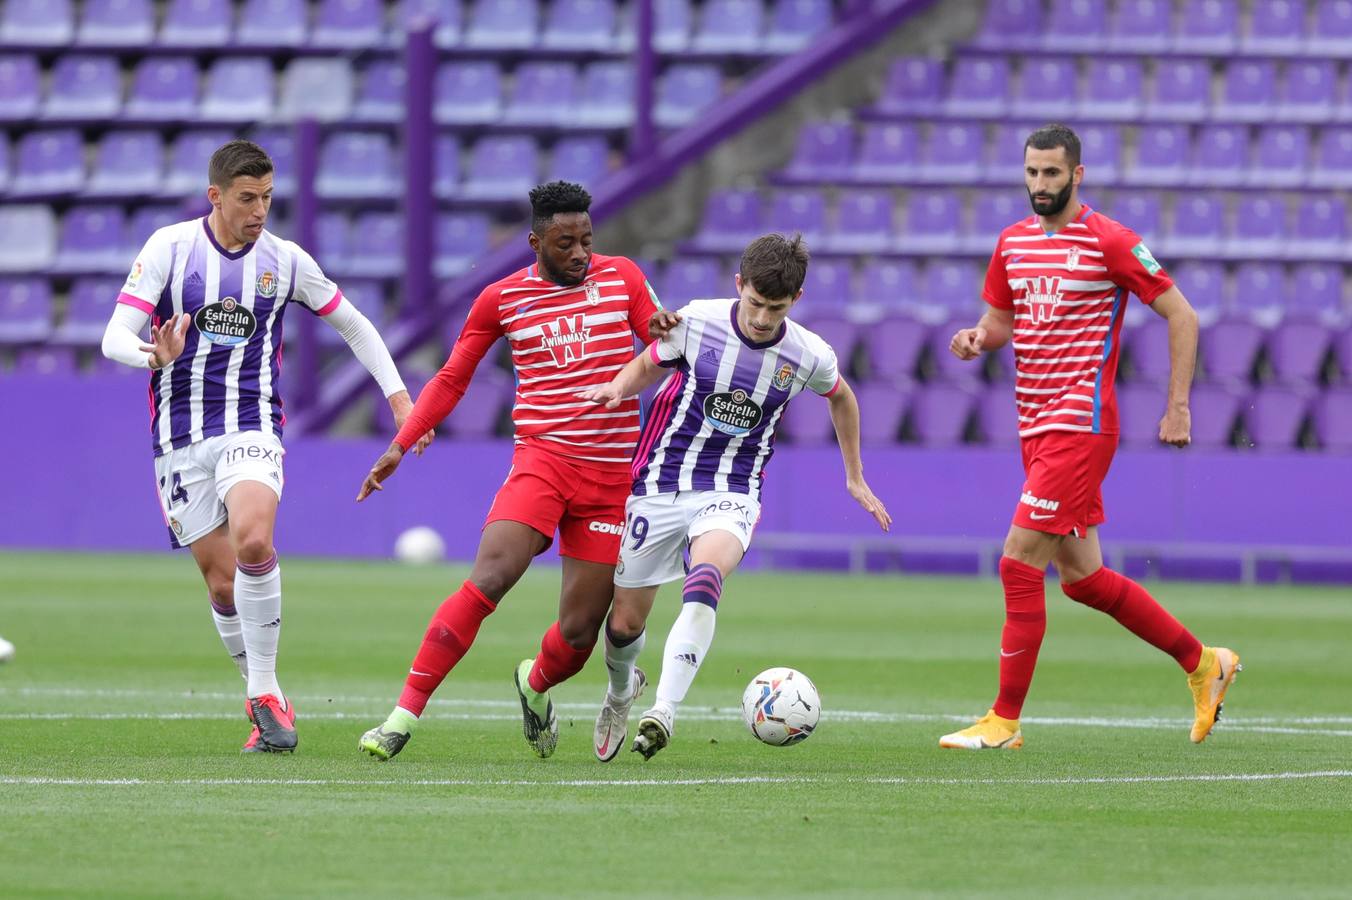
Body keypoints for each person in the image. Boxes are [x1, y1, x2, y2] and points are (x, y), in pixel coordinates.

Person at [101, 139, 420, 753]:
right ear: (215, 196)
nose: (259, 210)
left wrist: (401, 400)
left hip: (252, 425)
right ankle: (265, 700)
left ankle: (265, 689)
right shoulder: (171, 247)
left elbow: (354, 323)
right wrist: (150, 352)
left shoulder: (285, 261)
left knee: (253, 538)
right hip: (179, 438)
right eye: (247, 198)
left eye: (268, 198)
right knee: (223, 588)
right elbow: (114, 334)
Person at [939, 124, 1240, 751]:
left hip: (1081, 422)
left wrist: (1177, 406)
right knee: (1082, 577)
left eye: (1051, 174)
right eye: (1031, 173)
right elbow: (999, 321)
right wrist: (976, 339)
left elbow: (1180, 312)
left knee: (1018, 559)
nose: (1039, 185)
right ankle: (1205, 663)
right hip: (1034, 423)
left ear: (1076, 175)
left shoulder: (1111, 241)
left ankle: (1003, 720)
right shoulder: (1013, 244)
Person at [356, 181, 677, 761]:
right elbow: (453, 377)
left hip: (610, 485)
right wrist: (400, 444)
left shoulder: (623, 277)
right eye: (564, 243)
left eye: (585, 240)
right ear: (534, 242)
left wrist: (658, 328)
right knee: (491, 577)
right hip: (543, 461)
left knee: (579, 635)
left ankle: (534, 684)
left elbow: (655, 333)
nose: (579, 253)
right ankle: (401, 718)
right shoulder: (501, 299)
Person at [579, 233, 891, 761]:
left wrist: (854, 475)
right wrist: (618, 386)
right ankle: (620, 691)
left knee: (705, 578)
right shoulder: (696, 320)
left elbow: (842, 398)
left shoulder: (809, 353)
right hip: (659, 482)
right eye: (756, 303)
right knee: (625, 623)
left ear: (795, 299)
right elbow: (650, 363)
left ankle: (664, 711)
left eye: (777, 308)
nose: (764, 318)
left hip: (733, 488)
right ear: (738, 285)